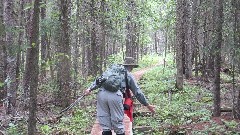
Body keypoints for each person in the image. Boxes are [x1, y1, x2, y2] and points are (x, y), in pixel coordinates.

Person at [84, 57, 155, 135]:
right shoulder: (128, 74)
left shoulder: (110, 70)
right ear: (131, 66)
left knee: (105, 125)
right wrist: (147, 105)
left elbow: (99, 80)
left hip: (101, 94)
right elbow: (137, 92)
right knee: (118, 123)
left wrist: (89, 89)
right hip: (115, 96)